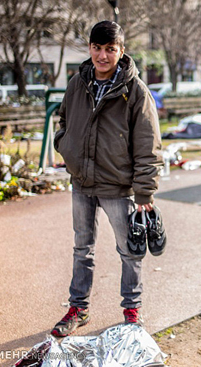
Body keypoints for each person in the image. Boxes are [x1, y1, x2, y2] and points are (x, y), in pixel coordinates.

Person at [51, 20, 162, 337]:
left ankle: (132, 310)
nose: (102, 55)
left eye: (110, 49)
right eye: (97, 48)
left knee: (130, 251)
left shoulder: (135, 91)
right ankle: (78, 308)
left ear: (121, 51)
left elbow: (148, 145)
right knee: (81, 249)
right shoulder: (78, 83)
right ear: (90, 48)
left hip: (118, 187)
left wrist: (144, 192)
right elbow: (63, 119)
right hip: (82, 183)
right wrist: (65, 146)